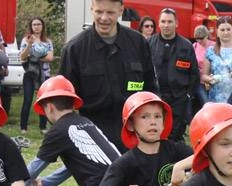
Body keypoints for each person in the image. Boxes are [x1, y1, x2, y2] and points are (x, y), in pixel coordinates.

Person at [59, 0, 158, 153]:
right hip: (93, 139)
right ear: (92, 9)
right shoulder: (74, 49)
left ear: (121, 11)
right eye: (99, 12)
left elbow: (151, 90)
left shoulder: (138, 43)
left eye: (110, 12)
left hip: (133, 135)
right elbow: (64, 104)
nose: (104, 18)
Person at [148, 8, 200, 142]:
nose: (166, 25)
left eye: (169, 22)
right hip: (155, 97)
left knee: (174, 136)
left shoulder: (186, 46)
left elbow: (194, 74)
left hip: (178, 100)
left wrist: (188, 96)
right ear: (158, 23)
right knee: (155, 133)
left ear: (176, 23)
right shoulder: (149, 44)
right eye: (163, 21)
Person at [19, 17, 54, 134]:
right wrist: (29, 45)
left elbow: (50, 58)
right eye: (34, 24)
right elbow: (22, 57)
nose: (36, 27)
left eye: (39, 24)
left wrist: (34, 55)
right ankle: (23, 127)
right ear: (31, 26)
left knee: (43, 101)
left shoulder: (47, 41)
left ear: (42, 26)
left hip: (44, 75)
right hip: (29, 74)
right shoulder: (26, 40)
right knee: (27, 100)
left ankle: (43, 127)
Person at [192, 25, 215, 111]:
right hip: (200, 81)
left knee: (213, 103)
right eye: (197, 38)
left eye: (201, 38)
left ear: (206, 36)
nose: (199, 41)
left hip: (212, 80)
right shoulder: (194, 46)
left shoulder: (214, 46)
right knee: (206, 103)